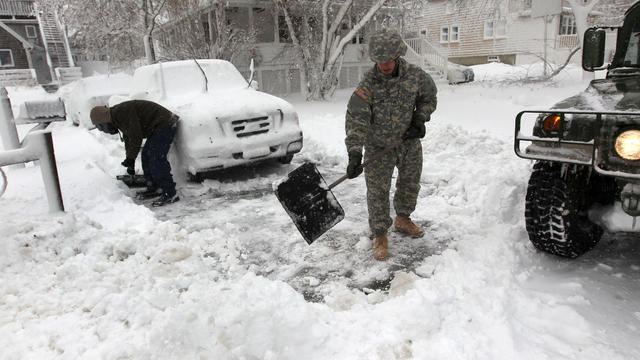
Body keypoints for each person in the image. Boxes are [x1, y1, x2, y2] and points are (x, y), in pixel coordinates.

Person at [345, 29, 437, 261]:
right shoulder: (368, 84)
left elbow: (429, 97)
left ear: (398, 56)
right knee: (377, 192)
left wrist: (419, 118)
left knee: (409, 184)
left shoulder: (416, 76)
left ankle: (403, 219)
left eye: (388, 61)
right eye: (379, 61)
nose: (384, 66)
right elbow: (356, 118)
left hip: (408, 143)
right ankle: (379, 234)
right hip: (378, 147)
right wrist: (354, 154)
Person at [90, 100, 180, 207]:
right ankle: (156, 188)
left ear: (104, 120)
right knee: (146, 156)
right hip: (158, 126)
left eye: (101, 127)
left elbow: (135, 136)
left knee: (156, 158)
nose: (103, 130)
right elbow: (128, 137)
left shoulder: (121, 113)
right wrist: (130, 159)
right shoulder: (117, 116)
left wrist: (131, 158)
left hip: (166, 123)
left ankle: (170, 193)